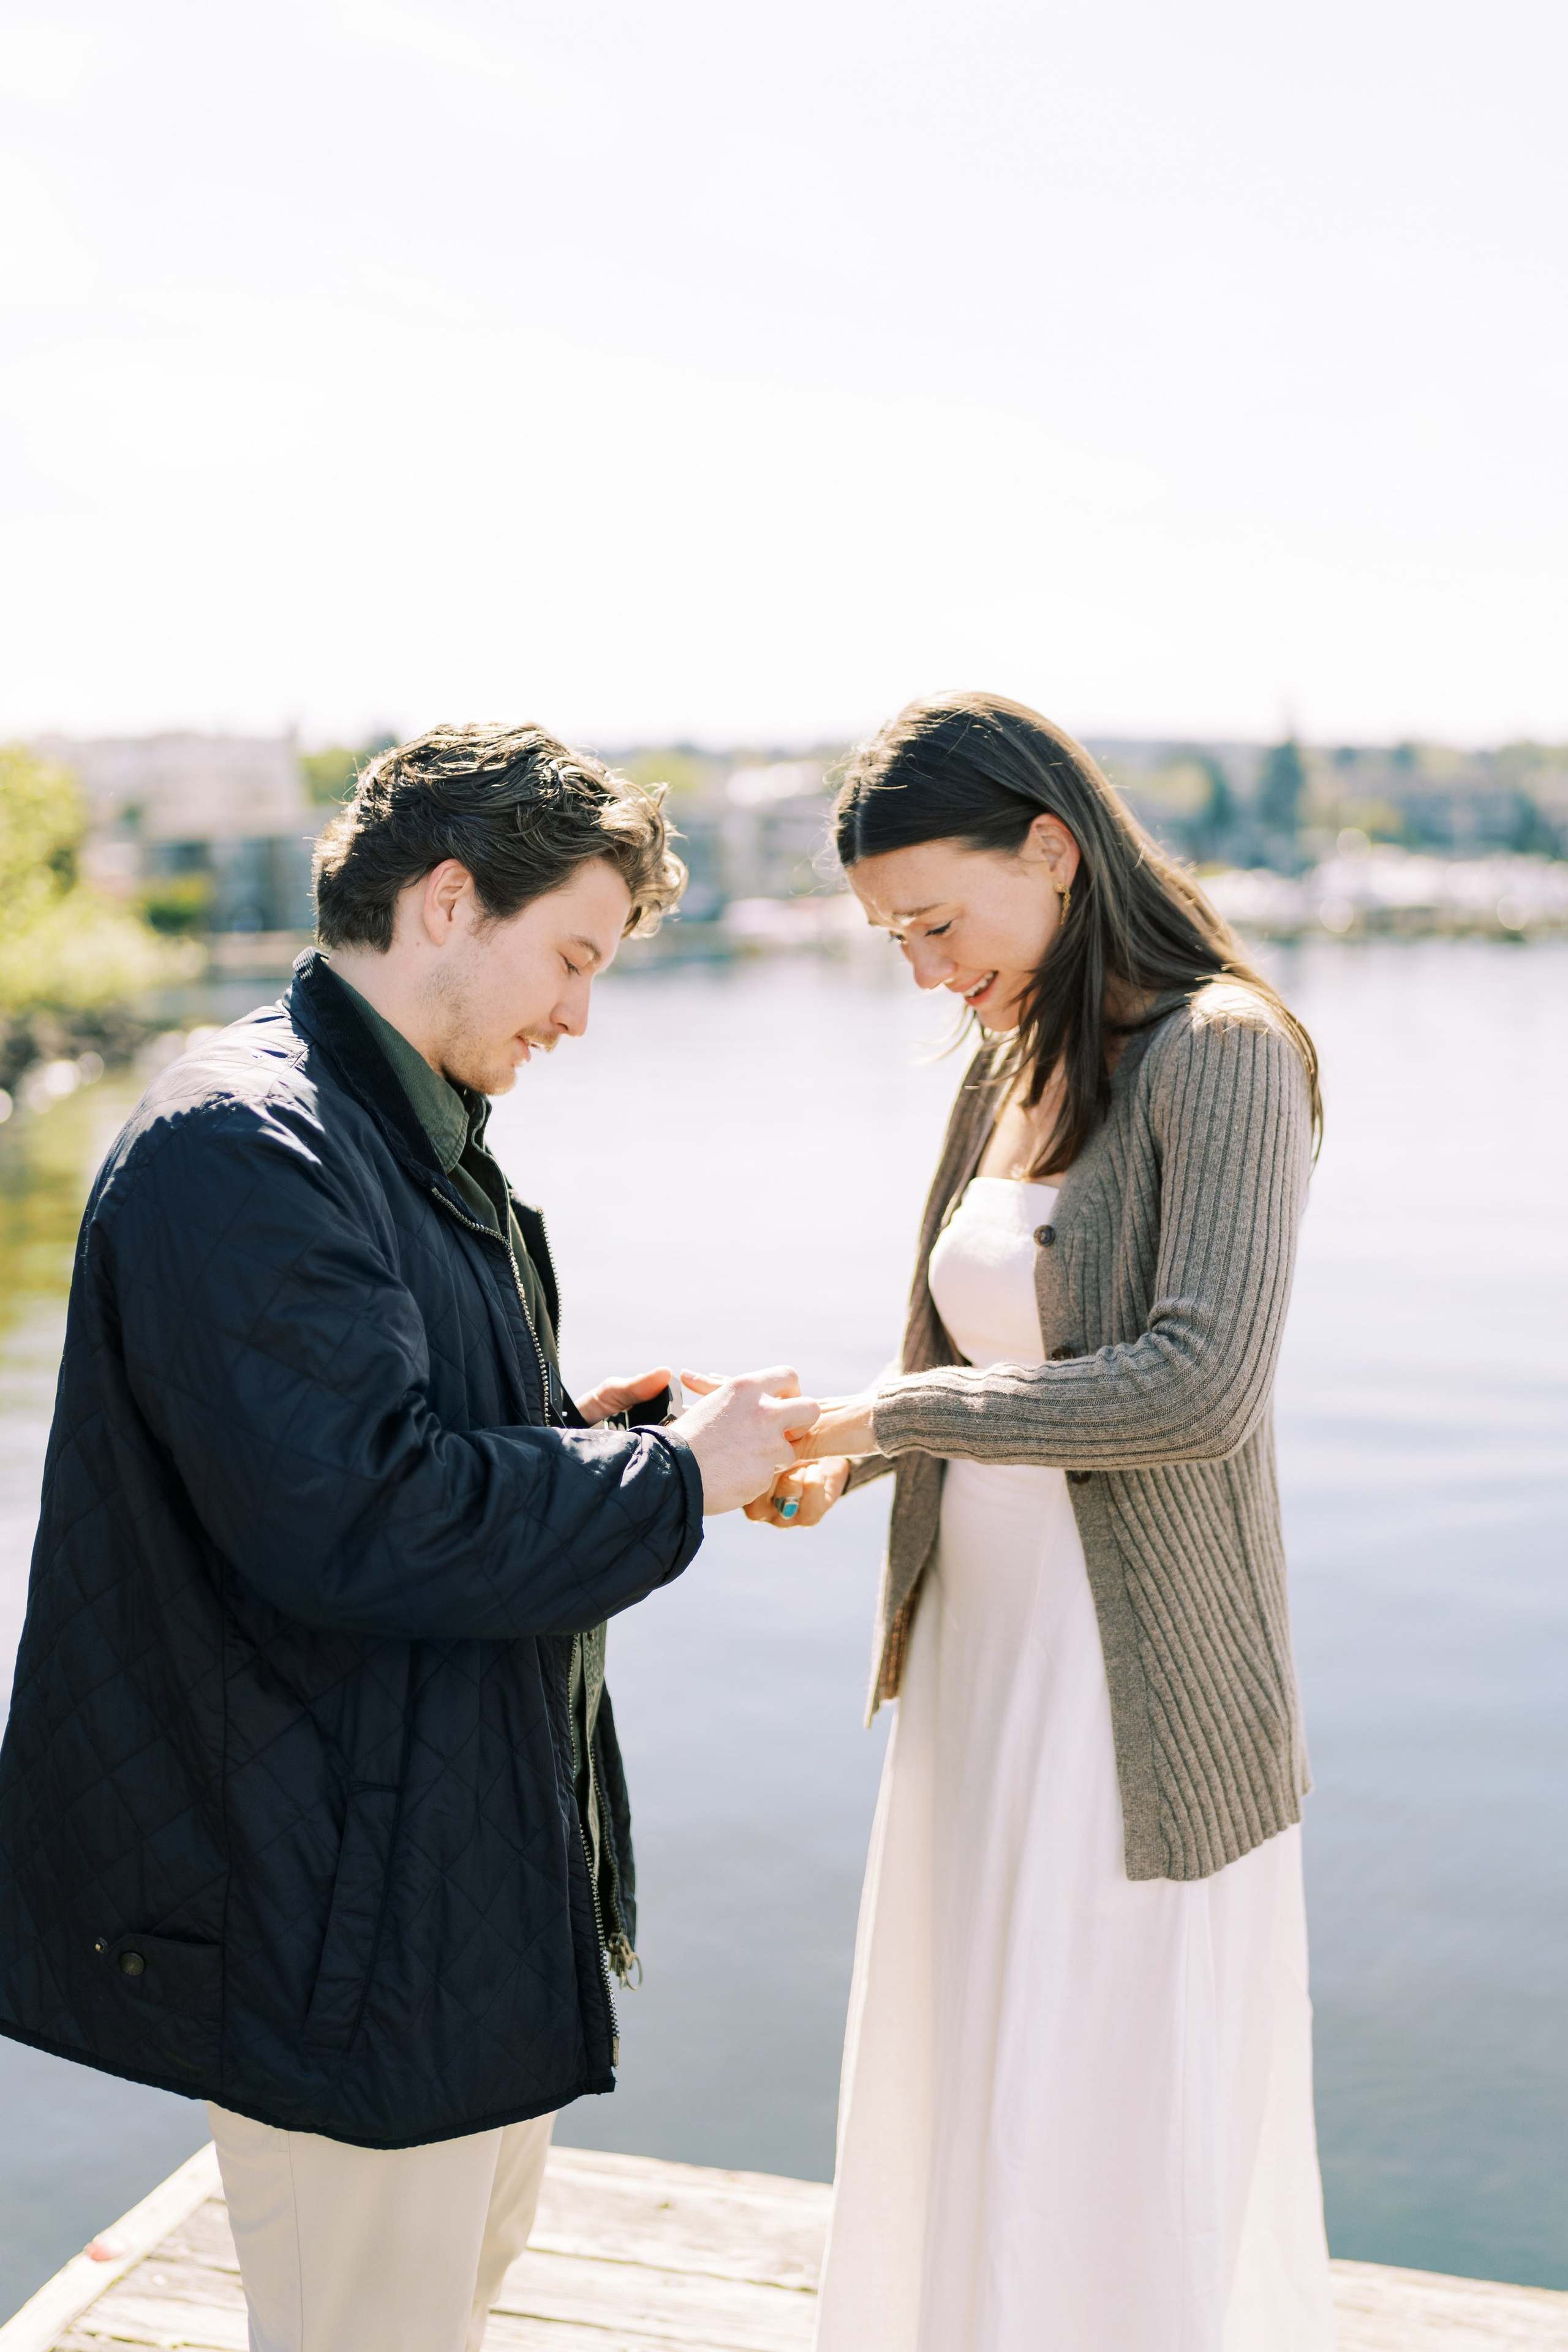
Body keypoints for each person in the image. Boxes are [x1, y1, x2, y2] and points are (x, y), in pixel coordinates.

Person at [0, 723, 817, 2352]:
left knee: (438, 2311)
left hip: (435, 1889)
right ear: (449, 901)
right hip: (338, 1916)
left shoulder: (387, 1123)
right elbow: (364, 1524)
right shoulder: (249, 1144)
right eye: (571, 957)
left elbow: (405, 1451)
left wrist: (627, 1435)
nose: (580, 1013)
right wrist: (675, 1484)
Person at [762, 692, 1336, 2350]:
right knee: (979, 2082)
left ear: (1055, 850)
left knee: (1105, 2111)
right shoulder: (1007, 1061)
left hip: (1128, 1696)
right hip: (979, 1663)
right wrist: (827, 1447)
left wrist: (891, 1418)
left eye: (940, 922)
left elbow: (1195, 1388)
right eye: (895, 940)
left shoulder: (1225, 1052)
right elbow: (961, 1355)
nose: (928, 971)